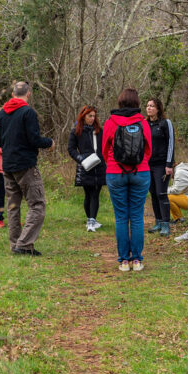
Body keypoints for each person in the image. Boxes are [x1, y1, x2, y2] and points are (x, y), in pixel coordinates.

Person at [0, 82, 55, 256]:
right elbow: (34, 139)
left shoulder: (2, 113)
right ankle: (24, 244)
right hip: (26, 166)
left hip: (8, 166)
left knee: (13, 206)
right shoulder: (27, 112)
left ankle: (16, 245)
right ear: (28, 94)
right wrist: (49, 142)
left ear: (13, 93)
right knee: (37, 205)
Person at [102, 88, 152, 272]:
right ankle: (137, 260)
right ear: (137, 103)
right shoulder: (143, 123)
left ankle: (124, 261)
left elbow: (104, 149)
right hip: (141, 172)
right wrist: (140, 164)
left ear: (120, 102)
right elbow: (148, 150)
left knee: (121, 217)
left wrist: (113, 165)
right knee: (137, 217)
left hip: (115, 172)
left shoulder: (110, 122)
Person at [67, 105, 106, 232]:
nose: (92, 118)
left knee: (96, 192)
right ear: (83, 116)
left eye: (94, 116)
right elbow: (71, 149)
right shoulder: (76, 131)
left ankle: (92, 220)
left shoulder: (100, 130)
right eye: (90, 116)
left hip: (99, 166)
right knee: (88, 193)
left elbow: (106, 146)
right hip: (85, 166)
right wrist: (81, 159)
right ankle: (90, 219)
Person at [145, 98, 175, 237]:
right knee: (153, 193)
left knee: (161, 194)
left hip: (162, 165)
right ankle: (157, 222)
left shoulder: (165, 123)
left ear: (158, 108)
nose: (149, 108)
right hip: (148, 164)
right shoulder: (144, 124)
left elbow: (171, 144)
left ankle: (165, 224)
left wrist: (169, 164)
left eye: (152, 106)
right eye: (147, 106)